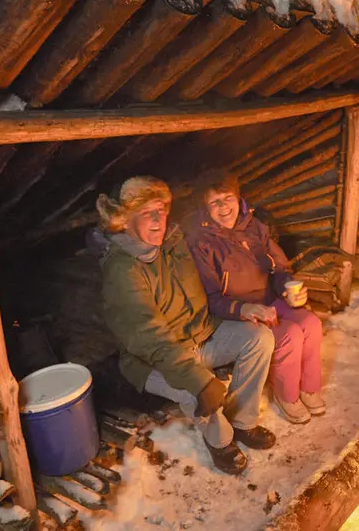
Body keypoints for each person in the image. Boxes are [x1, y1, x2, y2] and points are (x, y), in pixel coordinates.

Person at [92, 176, 276, 475]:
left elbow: (200, 297)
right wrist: (201, 381)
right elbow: (149, 338)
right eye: (146, 212)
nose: (157, 219)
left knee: (259, 338)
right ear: (124, 221)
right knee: (194, 390)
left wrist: (240, 310)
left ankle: (242, 422)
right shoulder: (123, 269)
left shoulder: (173, 245)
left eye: (161, 210)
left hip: (200, 335)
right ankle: (221, 441)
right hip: (152, 359)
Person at [186, 170, 325, 425]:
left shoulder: (254, 227)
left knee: (311, 324)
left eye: (227, 198)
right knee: (289, 335)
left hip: (269, 300)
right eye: (214, 202)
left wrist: (287, 290)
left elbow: (280, 269)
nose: (223, 207)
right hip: (236, 313)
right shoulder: (201, 242)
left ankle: (308, 387)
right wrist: (244, 308)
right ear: (206, 209)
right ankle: (288, 395)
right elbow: (210, 297)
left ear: (238, 199)